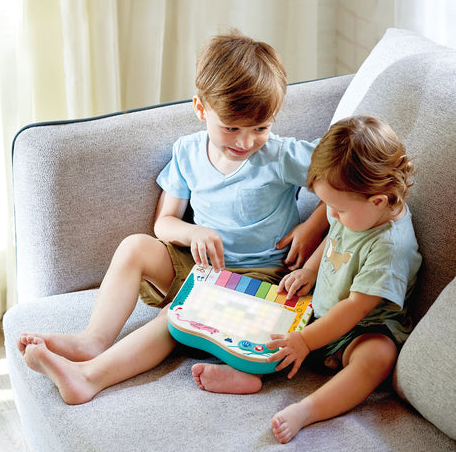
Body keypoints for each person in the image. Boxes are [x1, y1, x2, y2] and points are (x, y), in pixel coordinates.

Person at [17, 30, 328, 405]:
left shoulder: (282, 156)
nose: (245, 142)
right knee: (135, 247)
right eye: (231, 128)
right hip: (202, 266)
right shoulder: (188, 152)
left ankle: (88, 378)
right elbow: (164, 223)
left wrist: (312, 226)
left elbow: (346, 185)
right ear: (201, 108)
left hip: (260, 280)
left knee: (178, 313)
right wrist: (193, 233)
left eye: (260, 128)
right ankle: (92, 341)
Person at [193, 115, 422, 444]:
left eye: (338, 209)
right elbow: (334, 237)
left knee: (378, 357)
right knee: (277, 312)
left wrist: (306, 340)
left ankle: (308, 409)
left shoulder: (390, 247)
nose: (332, 215)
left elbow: (355, 307)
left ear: (378, 200)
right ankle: (247, 370)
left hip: (363, 328)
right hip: (320, 310)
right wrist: (311, 271)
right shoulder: (357, 210)